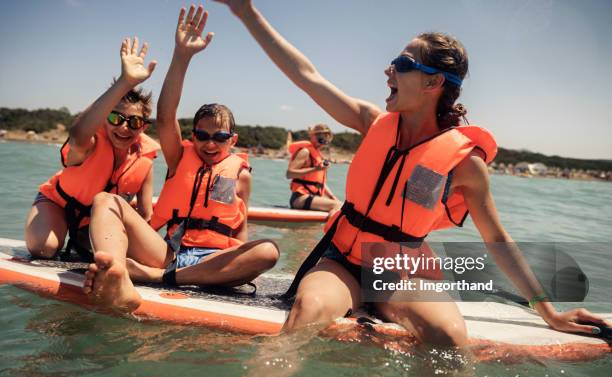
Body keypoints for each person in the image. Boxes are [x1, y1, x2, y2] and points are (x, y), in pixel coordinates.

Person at [215, 0, 609, 345]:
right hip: (343, 261)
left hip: (397, 273)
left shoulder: (464, 164)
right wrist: (246, 11)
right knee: (308, 312)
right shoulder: (372, 121)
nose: (388, 70)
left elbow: (497, 241)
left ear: (434, 82)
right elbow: (307, 76)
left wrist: (550, 313)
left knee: (451, 339)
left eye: (402, 65)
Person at [82, 5, 279, 312]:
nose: (210, 144)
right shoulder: (179, 157)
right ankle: (115, 274)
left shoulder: (240, 175)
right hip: (170, 252)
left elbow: (240, 228)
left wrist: (236, 265)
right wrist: (182, 56)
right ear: (193, 136)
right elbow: (165, 117)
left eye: (220, 137)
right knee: (105, 200)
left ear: (233, 140)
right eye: (202, 135)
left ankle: (158, 278)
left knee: (266, 251)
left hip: (212, 261)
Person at [24, 38, 160, 261]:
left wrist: (142, 252)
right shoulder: (90, 142)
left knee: (108, 255)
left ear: (143, 126)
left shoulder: (144, 158)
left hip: (96, 220)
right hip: (58, 204)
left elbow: (145, 214)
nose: (124, 127)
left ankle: (83, 242)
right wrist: (125, 82)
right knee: (44, 248)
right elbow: (77, 136)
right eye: (116, 118)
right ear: (105, 119)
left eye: (134, 122)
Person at [287, 123, 341, 212]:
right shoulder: (305, 152)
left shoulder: (318, 155)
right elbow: (289, 174)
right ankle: (331, 226)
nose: (322, 143)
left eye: (325, 141)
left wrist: (332, 197)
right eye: (320, 139)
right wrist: (315, 169)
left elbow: (318, 183)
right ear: (312, 135)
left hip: (313, 197)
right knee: (338, 206)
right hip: (300, 198)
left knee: (341, 205)